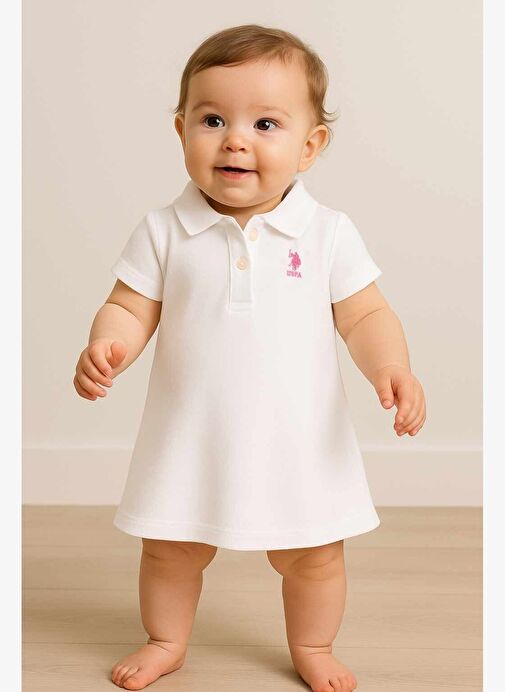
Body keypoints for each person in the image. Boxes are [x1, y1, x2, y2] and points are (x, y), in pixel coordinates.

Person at [73, 24, 426, 692]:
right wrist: (108, 343)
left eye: (265, 124)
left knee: (313, 554)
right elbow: (130, 305)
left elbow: (365, 315)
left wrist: (391, 367)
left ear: (309, 146)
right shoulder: (164, 230)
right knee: (170, 548)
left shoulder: (326, 233)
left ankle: (313, 645)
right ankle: (165, 638)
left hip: (297, 437)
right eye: (212, 120)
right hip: (190, 433)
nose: (235, 139)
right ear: (181, 130)